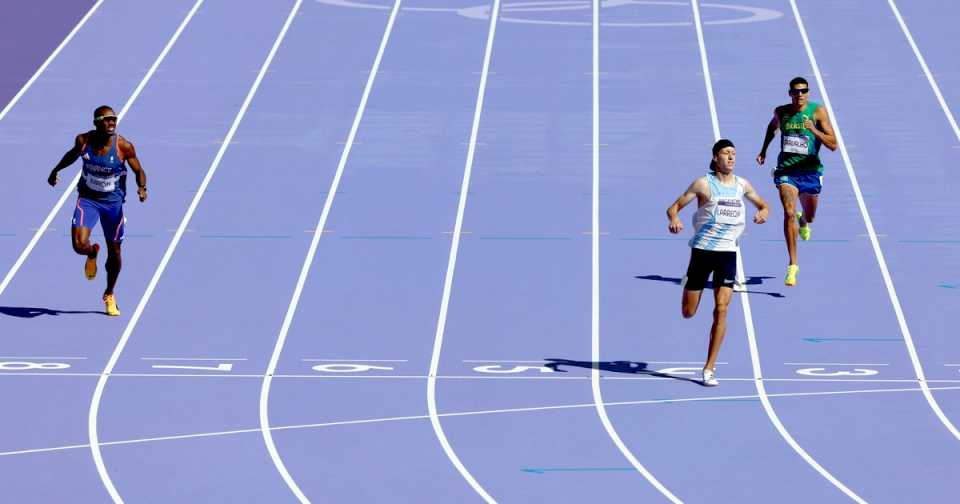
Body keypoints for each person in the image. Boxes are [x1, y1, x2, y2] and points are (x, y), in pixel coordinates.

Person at [667, 139, 768, 386]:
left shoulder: (742, 185)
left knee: (722, 309)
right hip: (702, 253)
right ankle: (688, 285)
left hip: (728, 255)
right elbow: (674, 207)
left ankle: (709, 368)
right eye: (726, 153)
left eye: (734, 153)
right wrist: (675, 219)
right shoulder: (703, 184)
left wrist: (763, 212)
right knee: (688, 313)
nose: (731, 157)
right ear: (715, 157)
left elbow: (763, 204)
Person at [47, 106, 147, 316]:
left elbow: (139, 170)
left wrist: (142, 187)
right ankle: (92, 252)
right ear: (96, 122)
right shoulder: (83, 141)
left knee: (116, 252)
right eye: (107, 119)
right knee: (78, 245)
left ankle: (109, 293)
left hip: (113, 205)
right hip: (88, 200)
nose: (112, 123)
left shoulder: (123, 146)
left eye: (114, 119)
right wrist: (56, 170)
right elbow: (72, 155)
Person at [756, 76, 837, 286]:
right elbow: (772, 127)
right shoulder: (781, 112)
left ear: (808, 92)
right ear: (790, 93)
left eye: (803, 91)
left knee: (809, 218)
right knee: (788, 212)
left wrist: (813, 130)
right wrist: (764, 150)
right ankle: (793, 265)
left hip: (810, 172)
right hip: (787, 171)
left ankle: (804, 221)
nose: (799, 95)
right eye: (796, 91)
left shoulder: (817, 112)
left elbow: (833, 144)